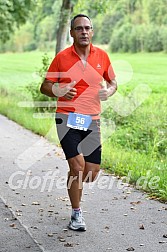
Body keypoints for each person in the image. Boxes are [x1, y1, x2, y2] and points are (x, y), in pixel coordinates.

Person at [40, 14, 117, 231]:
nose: (84, 32)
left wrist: (108, 91)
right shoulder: (62, 58)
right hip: (67, 118)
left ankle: (74, 178)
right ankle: (76, 214)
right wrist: (59, 90)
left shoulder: (102, 56)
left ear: (92, 31)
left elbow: (113, 82)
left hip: (92, 120)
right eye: (79, 28)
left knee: (90, 173)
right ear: (72, 33)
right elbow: (44, 86)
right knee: (77, 165)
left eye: (87, 28)